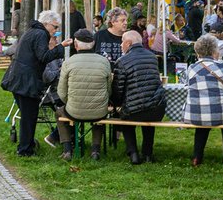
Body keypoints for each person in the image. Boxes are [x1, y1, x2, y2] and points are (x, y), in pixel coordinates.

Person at [1, 10, 64, 156]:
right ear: (46, 23)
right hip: (27, 81)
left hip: (18, 79)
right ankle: (25, 150)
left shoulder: (31, 31)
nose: (56, 31)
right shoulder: (41, 34)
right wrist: (61, 47)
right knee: (29, 117)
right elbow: (43, 56)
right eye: (55, 27)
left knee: (27, 116)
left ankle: (27, 145)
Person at [55, 27, 112, 160]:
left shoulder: (68, 62)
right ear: (93, 43)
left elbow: (61, 92)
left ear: (75, 44)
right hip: (99, 111)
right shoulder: (104, 62)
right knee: (99, 117)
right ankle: (95, 151)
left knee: (59, 113)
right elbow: (109, 90)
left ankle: (67, 150)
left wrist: (71, 101)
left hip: (74, 110)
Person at [111, 29, 165, 164]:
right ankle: (147, 154)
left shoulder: (122, 61)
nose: (121, 44)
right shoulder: (152, 57)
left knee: (126, 118)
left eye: (122, 41)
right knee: (149, 111)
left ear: (128, 43)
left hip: (134, 112)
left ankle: (133, 153)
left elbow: (118, 89)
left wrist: (116, 104)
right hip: (156, 110)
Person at [184, 33, 223, 167]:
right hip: (221, 114)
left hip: (194, 115)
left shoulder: (191, 69)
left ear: (197, 52)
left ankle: (197, 157)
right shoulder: (222, 67)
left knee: (203, 120)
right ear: (215, 51)